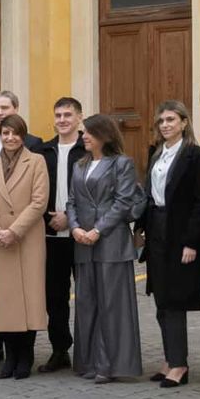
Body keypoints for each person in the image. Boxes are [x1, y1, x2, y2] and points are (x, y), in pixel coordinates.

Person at [137, 101, 200, 389]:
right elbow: (149, 194)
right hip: (156, 226)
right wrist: (141, 227)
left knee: (175, 299)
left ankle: (180, 363)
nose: (165, 125)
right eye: (161, 121)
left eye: (171, 119)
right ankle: (170, 358)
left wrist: (193, 242)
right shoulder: (156, 153)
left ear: (183, 123)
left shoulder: (196, 156)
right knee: (160, 296)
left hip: (180, 232)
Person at [67, 114, 145, 383]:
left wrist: (97, 230)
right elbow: (71, 201)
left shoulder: (121, 164)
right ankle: (88, 361)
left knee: (112, 306)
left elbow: (123, 202)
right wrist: (75, 227)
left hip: (111, 243)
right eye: (82, 133)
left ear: (105, 134)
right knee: (87, 304)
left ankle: (109, 364)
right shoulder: (79, 165)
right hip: (83, 244)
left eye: (88, 132)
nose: (84, 137)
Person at [0, 114, 49, 379]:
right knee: (5, 300)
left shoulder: (36, 161)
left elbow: (39, 202)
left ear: (23, 136)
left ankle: (25, 356)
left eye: (15, 133)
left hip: (26, 238)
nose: (10, 138)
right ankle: (9, 356)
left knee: (28, 298)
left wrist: (14, 231)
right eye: (5, 133)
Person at [32, 97, 86, 373]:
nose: (62, 119)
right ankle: (60, 349)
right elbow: (35, 191)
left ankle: (89, 350)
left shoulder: (87, 149)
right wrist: (49, 219)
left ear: (79, 117)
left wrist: (71, 217)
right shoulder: (44, 151)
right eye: (58, 115)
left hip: (82, 234)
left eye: (68, 114)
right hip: (51, 235)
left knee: (87, 294)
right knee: (55, 296)